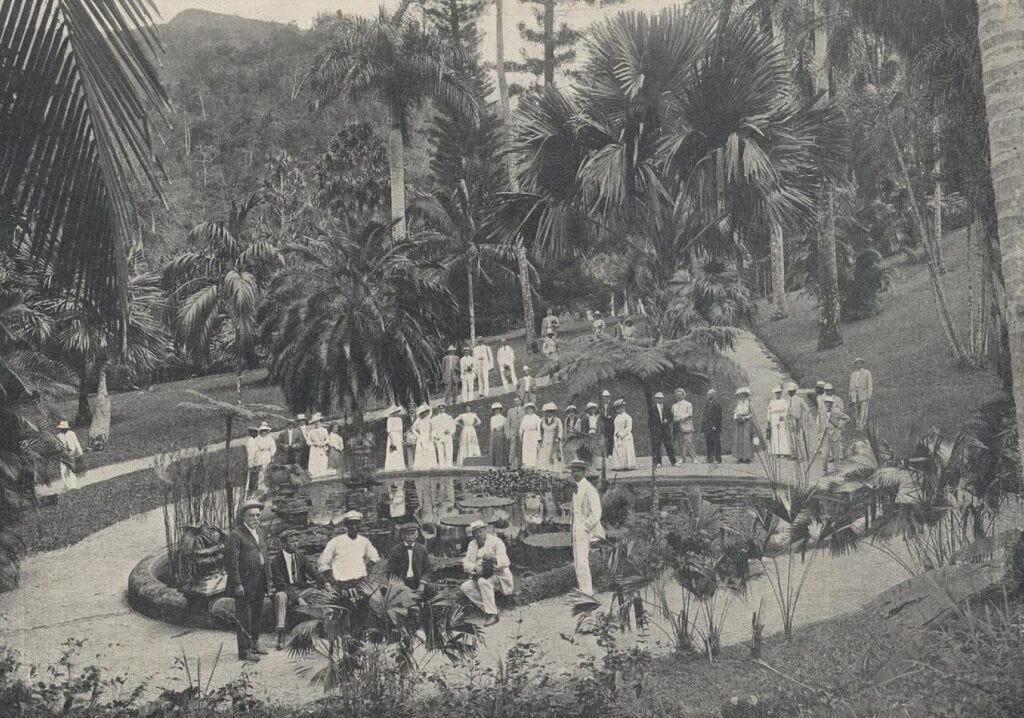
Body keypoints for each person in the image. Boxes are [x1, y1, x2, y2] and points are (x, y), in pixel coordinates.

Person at [224, 500, 272, 662]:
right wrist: (238, 583)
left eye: (258, 515)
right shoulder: (236, 535)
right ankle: (244, 651)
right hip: (245, 582)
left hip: (260, 580)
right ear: (243, 517)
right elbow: (231, 562)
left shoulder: (260, 531)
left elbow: (265, 556)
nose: (255, 518)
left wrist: (269, 579)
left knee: (257, 614)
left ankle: (255, 644)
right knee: (244, 616)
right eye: (251, 515)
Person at [271, 530, 322, 650]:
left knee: (317, 593)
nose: (296, 544)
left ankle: (314, 632)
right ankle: (280, 633)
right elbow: (281, 585)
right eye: (292, 542)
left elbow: (313, 572)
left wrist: (325, 583)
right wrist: (297, 598)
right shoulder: (276, 562)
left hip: (301, 590)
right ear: (284, 544)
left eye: (296, 541)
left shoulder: (300, 557)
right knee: (280, 596)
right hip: (286, 591)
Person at [460, 520, 513, 626]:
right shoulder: (472, 544)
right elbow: (466, 563)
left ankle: (492, 615)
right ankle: (489, 609)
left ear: (485, 530)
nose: (479, 535)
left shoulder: (496, 541)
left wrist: (493, 559)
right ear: (473, 535)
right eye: (476, 533)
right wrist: (474, 567)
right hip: (480, 575)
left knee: (482, 582)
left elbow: (506, 561)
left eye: (481, 531)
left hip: (499, 576)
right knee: (465, 587)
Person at [569, 459, 604, 596]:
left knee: (582, 560)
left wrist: (585, 527)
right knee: (577, 559)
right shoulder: (576, 488)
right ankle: (582, 589)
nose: (575, 474)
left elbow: (596, 513)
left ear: (583, 472)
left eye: (577, 471)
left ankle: (587, 592)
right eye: (573, 471)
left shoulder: (589, 489)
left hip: (584, 529)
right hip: (575, 528)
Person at [319, 511, 380, 590]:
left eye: (357, 523)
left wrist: (367, 573)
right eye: (351, 524)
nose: (354, 526)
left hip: (360, 583)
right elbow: (323, 563)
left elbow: (374, 556)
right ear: (346, 525)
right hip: (342, 584)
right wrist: (333, 582)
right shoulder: (335, 542)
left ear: (360, 525)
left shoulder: (364, 541)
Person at [387, 523, 431, 592]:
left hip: (418, 581)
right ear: (403, 536)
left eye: (413, 534)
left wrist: (422, 584)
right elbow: (391, 571)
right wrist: (400, 584)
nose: (410, 537)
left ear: (417, 535)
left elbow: (427, 568)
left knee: (433, 593)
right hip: (401, 582)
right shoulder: (395, 550)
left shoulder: (422, 549)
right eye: (407, 534)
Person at [819, 397, 851, 474]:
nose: (828, 404)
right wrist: (819, 434)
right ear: (824, 403)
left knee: (836, 453)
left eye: (829, 403)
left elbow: (847, 418)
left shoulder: (836, 411)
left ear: (832, 403)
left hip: (834, 434)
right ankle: (824, 470)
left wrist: (840, 425)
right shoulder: (822, 412)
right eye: (826, 402)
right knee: (824, 453)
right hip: (825, 435)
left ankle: (836, 469)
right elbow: (820, 423)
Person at [649, 391, 678, 468]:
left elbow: (671, 417)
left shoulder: (667, 407)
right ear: (655, 399)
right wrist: (652, 430)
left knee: (669, 445)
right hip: (657, 430)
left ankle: (673, 461)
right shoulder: (652, 408)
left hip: (665, 429)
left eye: (661, 398)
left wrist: (667, 420)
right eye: (658, 398)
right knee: (657, 446)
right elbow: (650, 420)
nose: (660, 399)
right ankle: (658, 462)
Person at [55, 420, 83, 491]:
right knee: (63, 471)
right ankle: (67, 486)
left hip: (71, 454)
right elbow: (57, 446)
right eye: (61, 428)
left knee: (71, 469)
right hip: (63, 454)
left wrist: (80, 451)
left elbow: (76, 442)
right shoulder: (58, 435)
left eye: (64, 428)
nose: (63, 430)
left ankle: (73, 486)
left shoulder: (71, 434)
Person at [672, 388, 698, 463]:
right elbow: (673, 415)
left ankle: (694, 457)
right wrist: (674, 418)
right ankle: (683, 458)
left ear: (683, 395)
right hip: (678, 426)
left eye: (680, 395)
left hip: (687, 426)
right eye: (677, 395)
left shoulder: (688, 404)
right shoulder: (674, 406)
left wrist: (680, 418)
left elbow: (689, 414)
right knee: (680, 443)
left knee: (689, 442)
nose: (678, 396)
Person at [786, 382, 809, 461]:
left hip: (797, 421)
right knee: (791, 438)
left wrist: (802, 418)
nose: (790, 392)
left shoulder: (799, 400)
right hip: (790, 420)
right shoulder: (788, 400)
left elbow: (807, 409)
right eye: (789, 391)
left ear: (795, 391)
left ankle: (800, 455)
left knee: (797, 438)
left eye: (792, 391)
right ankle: (794, 454)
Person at [611, 399, 637, 470]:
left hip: (625, 436)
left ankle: (628, 465)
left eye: (620, 407)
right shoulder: (617, 417)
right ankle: (619, 465)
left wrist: (622, 435)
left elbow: (628, 428)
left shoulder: (627, 417)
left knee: (626, 450)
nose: (618, 409)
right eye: (617, 408)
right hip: (618, 436)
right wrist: (616, 435)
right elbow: (616, 427)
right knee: (619, 450)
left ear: (623, 407)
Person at [848, 358, 873, 430]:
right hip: (855, 394)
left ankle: (862, 424)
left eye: (860, 363)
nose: (858, 364)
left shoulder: (867, 373)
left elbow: (870, 384)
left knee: (863, 409)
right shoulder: (853, 374)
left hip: (863, 393)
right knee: (856, 409)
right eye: (857, 363)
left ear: (862, 364)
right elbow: (851, 384)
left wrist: (869, 394)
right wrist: (850, 393)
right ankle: (857, 423)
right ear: (855, 364)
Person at [766, 386, 791, 457]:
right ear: (775, 394)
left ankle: (784, 452)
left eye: (779, 393)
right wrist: (768, 419)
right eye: (776, 393)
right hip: (773, 418)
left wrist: (783, 416)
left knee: (782, 433)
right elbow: (769, 411)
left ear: (781, 393)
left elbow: (786, 410)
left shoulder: (784, 401)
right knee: (774, 434)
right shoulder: (772, 402)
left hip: (781, 417)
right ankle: (776, 452)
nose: (778, 394)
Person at [538, 402, 563, 469]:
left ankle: (554, 468)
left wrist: (558, 438)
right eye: (548, 412)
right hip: (545, 438)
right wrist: (540, 439)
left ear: (553, 412)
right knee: (544, 452)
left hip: (553, 438)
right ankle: (545, 467)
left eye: (551, 411)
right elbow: (539, 430)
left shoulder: (557, 420)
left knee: (553, 452)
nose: (549, 413)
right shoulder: (542, 420)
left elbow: (560, 430)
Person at [412, 405, 438, 470]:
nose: (425, 413)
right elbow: (413, 429)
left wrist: (431, 435)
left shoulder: (430, 420)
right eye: (423, 412)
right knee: (421, 450)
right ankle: (421, 465)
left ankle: (430, 465)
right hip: (421, 436)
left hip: (428, 437)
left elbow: (432, 429)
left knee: (429, 450)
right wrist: (418, 436)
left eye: (426, 412)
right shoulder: (418, 420)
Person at [253, 423, 277, 493]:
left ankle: (268, 485)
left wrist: (272, 454)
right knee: (261, 470)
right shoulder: (257, 439)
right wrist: (255, 456)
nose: (264, 432)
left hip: (267, 454)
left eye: (265, 431)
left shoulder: (270, 439)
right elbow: (255, 448)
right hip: (259, 455)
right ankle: (260, 486)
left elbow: (273, 447)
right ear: (260, 432)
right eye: (262, 431)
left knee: (267, 469)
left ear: (267, 431)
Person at [733, 387, 754, 463]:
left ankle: (747, 457)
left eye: (743, 395)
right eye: (740, 395)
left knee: (746, 438)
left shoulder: (748, 403)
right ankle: (740, 457)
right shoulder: (738, 403)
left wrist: (745, 418)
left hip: (746, 421)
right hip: (739, 422)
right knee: (739, 438)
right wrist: (736, 417)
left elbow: (751, 414)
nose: (741, 396)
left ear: (745, 395)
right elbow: (735, 411)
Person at [702, 388, 723, 464]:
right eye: (708, 394)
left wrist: (715, 426)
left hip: (714, 427)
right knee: (708, 443)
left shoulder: (717, 404)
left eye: (709, 394)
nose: (708, 396)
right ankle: (709, 458)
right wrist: (702, 429)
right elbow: (704, 416)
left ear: (713, 395)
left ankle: (718, 458)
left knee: (716, 443)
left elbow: (719, 417)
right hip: (707, 427)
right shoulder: (707, 404)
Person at [305, 414, 330, 478]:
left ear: (320, 421)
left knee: (322, 461)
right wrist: (314, 443)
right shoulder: (311, 431)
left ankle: (322, 475)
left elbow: (328, 439)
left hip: (322, 448)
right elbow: (308, 442)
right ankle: (314, 475)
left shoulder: (324, 430)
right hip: (314, 449)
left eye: (318, 421)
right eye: (315, 422)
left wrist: (323, 443)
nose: (316, 423)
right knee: (314, 462)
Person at [433, 402, 456, 468]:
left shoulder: (449, 417)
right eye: (440, 408)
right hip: (439, 437)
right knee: (440, 452)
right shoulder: (434, 419)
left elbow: (453, 427)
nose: (441, 410)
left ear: (444, 409)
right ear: (438, 409)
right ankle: (442, 465)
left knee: (448, 451)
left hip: (447, 436)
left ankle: (449, 465)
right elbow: (433, 429)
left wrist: (449, 431)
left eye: (442, 408)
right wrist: (435, 436)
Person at [519, 402, 541, 468]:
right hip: (526, 434)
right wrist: (520, 435)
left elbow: (539, 428)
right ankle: (526, 463)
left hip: (534, 434)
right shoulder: (524, 417)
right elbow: (521, 427)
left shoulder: (537, 417)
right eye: (528, 409)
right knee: (526, 448)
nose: (529, 410)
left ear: (533, 409)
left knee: (533, 448)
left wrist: (539, 438)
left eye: (530, 409)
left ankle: (533, 463)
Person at [384, 406, 406, 471]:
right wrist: (392, 440)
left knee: (399, 451)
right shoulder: (389, 420)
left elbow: (401, 430)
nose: (396, 413)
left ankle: (399, 466)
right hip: (392, 436)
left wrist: (402, 439)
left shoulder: (400, 419)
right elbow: (389, 431)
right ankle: (392, 466)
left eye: (397, 412)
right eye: (395, 412)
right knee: (393, 451)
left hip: (398, 436)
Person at [507, 396, 524, 468]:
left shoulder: (524, 410)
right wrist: (508, 433)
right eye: (515, 401)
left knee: (521, 446)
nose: (516, 402)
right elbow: (508, 422)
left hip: (521, 430)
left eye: (517, 401)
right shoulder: (510, 411)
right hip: (513, 430)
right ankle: (512, 463)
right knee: (512, 447)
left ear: (520, 401)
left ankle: (521, 463)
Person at [600, 390, 615, 457]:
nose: (605, 398)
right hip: (604, 423)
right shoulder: (601, 405)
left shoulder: (612, 405)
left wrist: (611, 417)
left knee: (610, 438)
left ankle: (610, 453)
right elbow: (600, 414)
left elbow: (615, 414)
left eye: (606, 397)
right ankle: (604, 453)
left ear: (608, 397)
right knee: (604, 438)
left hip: (610, 423)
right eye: (604, 397)